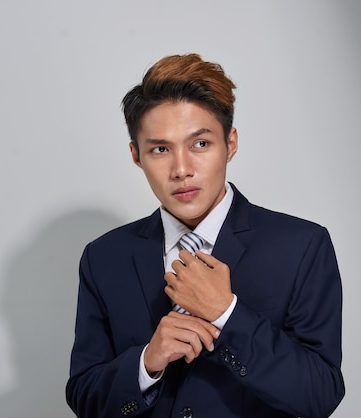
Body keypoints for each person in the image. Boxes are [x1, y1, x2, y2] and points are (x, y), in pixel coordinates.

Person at [66, 53, 345, 418]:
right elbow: (84, 397)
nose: (181, 170)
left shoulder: (302, 247)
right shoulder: (104, 257)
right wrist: (146, 364)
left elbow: (319, 395)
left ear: (230, 143)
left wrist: (227, 314)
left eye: (200, 144)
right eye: (160, 149)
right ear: (136, 155)